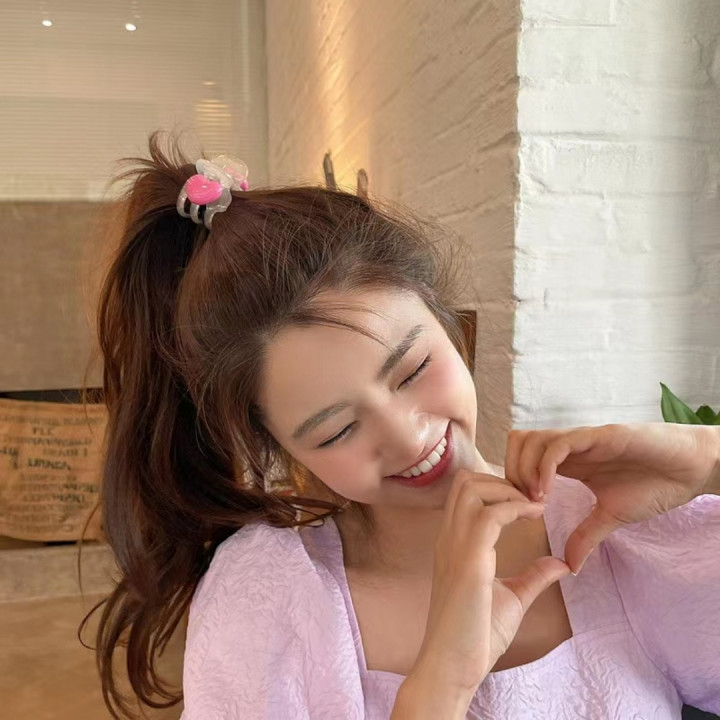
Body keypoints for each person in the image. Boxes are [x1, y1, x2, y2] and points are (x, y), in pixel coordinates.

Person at [86, 131, 720, 720]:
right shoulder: (263, 596)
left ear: (452, 329)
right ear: (277, 445)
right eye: (337, 431)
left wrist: (710, 462)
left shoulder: (603, 523)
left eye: (413, 368)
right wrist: (441, 681)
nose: (409, 437)